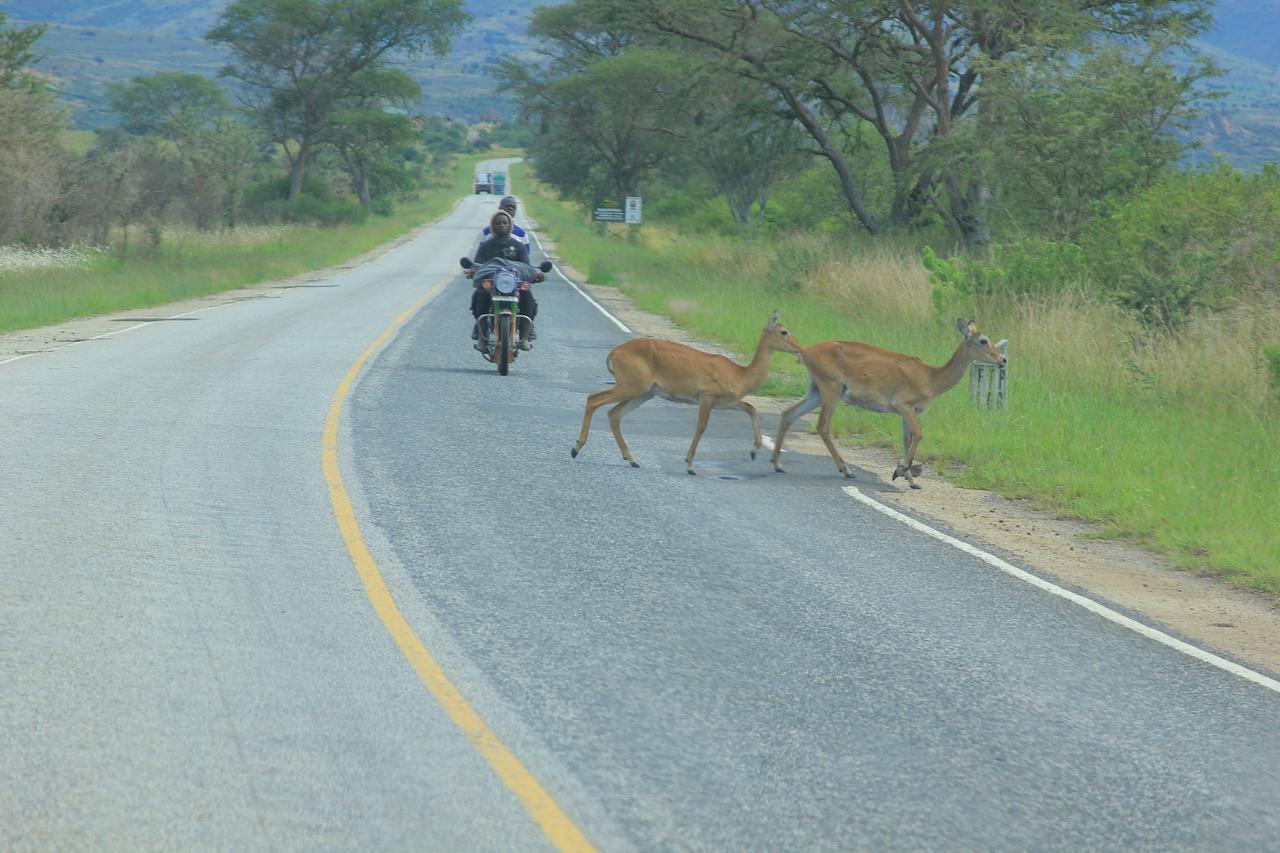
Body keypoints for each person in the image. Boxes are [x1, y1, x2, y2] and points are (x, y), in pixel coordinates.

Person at [470, 209, 540, 347]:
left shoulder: (518, 246)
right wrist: (473, 270)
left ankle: (526, 334)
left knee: (528, 298)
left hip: (515, 285)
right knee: (479, 296)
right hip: (492, 285)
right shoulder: (486, 246)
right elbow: (478, 265)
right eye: (497, 223)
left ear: (510, 225)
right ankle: (482, 335)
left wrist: (535, 274)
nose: (501, 225)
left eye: (504, 223)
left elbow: (526, 266)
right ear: (492, 226)